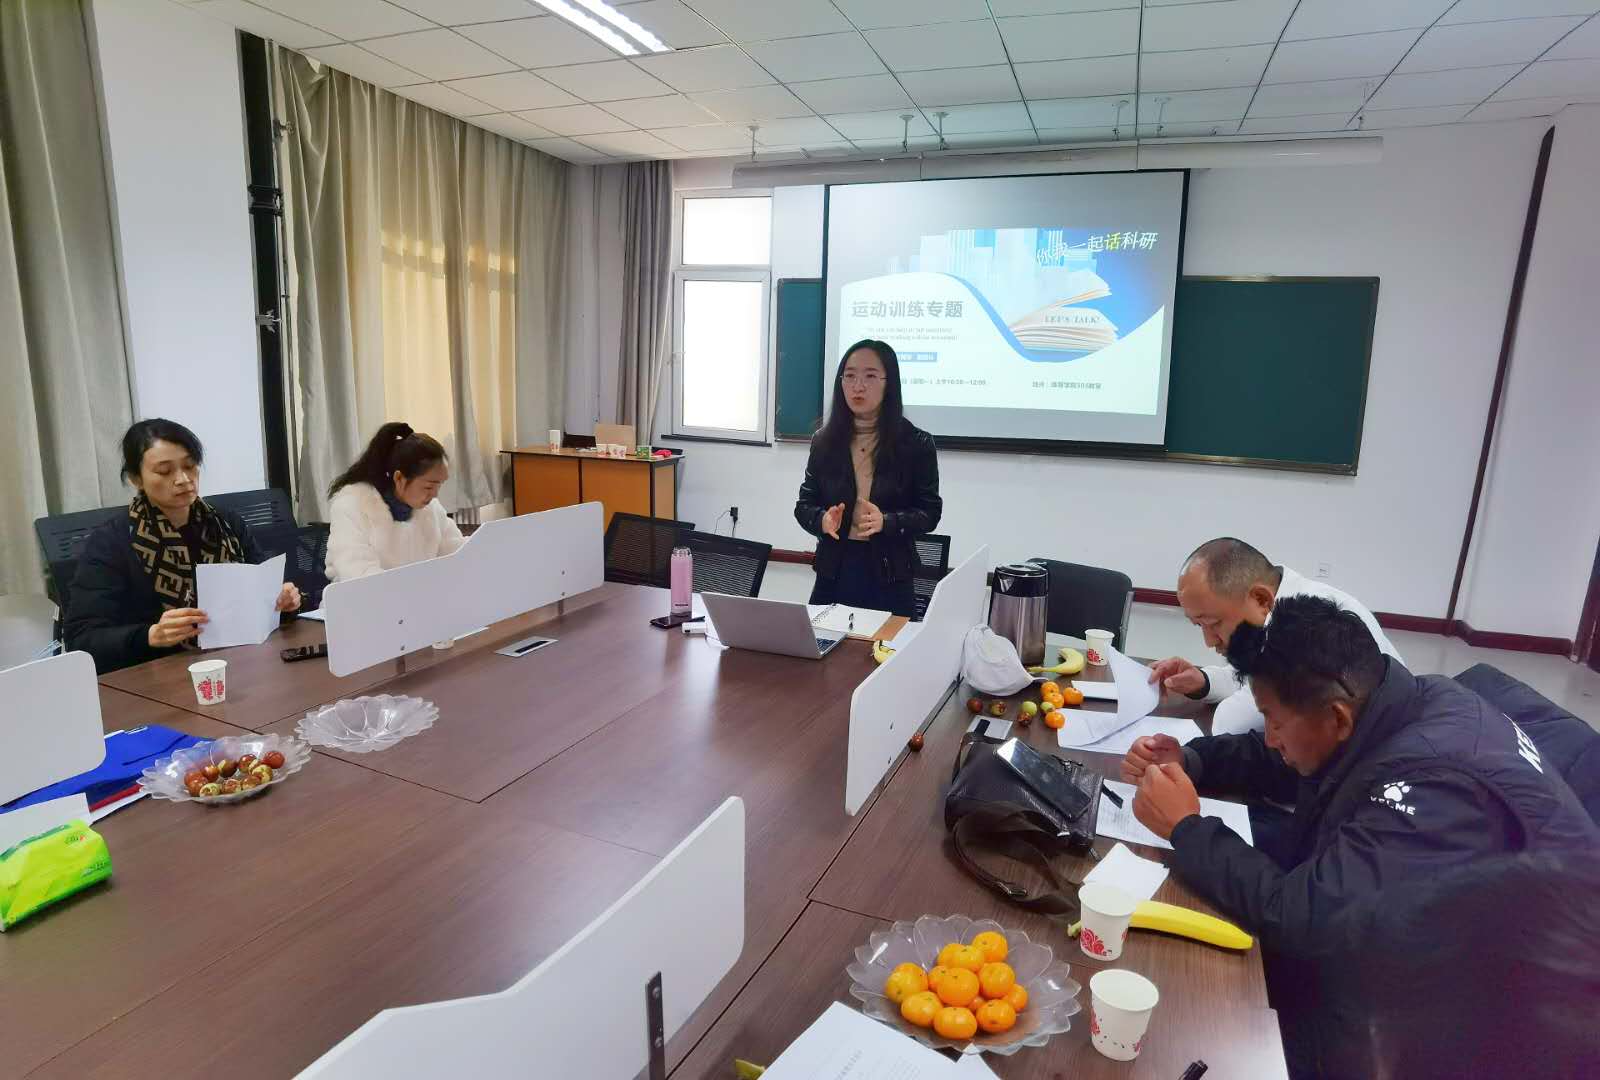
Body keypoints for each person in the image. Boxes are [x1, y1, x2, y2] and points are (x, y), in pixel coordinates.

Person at [1121, 595, 1599, 1077]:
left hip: (1512, 1019)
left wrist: (1188, 828)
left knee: (1214, 1015)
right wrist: (1196, 760)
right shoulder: (1402, 703)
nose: (1270, 736)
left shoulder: (1434, 789)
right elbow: (1295, 756)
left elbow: (1307, 923)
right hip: (1444, 924)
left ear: (1338, 717)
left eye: (1274, 721)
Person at [65, 419, 301, 674]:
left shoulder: (225, 523)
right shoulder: (112, 541)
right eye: (164, 471)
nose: (183, 479)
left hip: (239, 662)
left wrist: (284, 601)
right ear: (136, 479)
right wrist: (150, 635)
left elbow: (263, 591)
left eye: (190, 466)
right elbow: (82, 639)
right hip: (156, 676)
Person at [1146, 537, 1401, 735]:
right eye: (1198, 625)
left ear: (1261, 599)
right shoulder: (1287, 601)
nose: (1209, 641)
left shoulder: (1309, 624)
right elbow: (1250, 682)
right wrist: (1203, 681)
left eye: (1213, 623)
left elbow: (1231, 724)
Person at [793, 340, 941, 617]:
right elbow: (804, 506)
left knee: (890, 644)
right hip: (834, 569)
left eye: (870, 376)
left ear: (889, 383)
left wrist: (887, 521)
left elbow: (930, 513)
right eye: (849, 376)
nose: (858, 386)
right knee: (821, 641)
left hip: (891, 572)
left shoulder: (916, 444)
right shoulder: (824, 442)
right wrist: (822, 519)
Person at [325, 422, 465, 582]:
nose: (435, 494)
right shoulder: (352, 505)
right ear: (399, 478)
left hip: (417, 594)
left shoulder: (431, 509)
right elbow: (360, 577)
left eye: (439, 485)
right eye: (429, 487)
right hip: (363, 596)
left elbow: (457, 554)